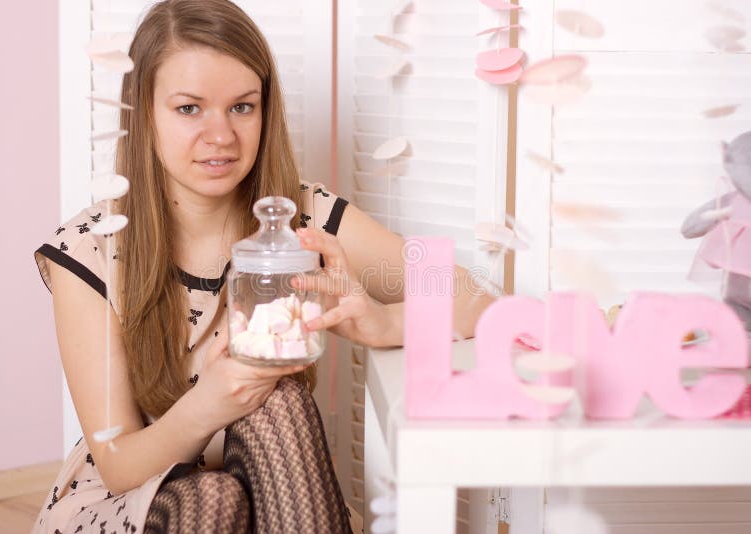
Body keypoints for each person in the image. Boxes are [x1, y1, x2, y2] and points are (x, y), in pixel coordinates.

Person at [32, 1, 494, 532]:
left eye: (242, 107)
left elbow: (477, 294)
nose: (222, 136)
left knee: (278, 402)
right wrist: (209, 403)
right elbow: (118, 466)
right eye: (189, 109)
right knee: (213, 498)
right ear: (142, 113)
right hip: (136, 501)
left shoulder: (307, 219)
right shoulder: (90, 252)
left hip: (277, 492)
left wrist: (385, 323)